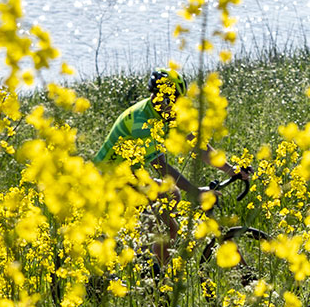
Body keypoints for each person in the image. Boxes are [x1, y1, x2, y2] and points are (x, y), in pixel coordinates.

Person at [95, 70, 249, 259]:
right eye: (174, 100)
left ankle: (150, 261)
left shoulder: (168, 113)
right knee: (168, 213)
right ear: (161, 97)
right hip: (108, 178)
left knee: (169, 208)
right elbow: (161, 166)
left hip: (130, 173)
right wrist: (195, 191)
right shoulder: (142, 121)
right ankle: (147, 262)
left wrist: (231, 169)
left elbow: (197, 145)